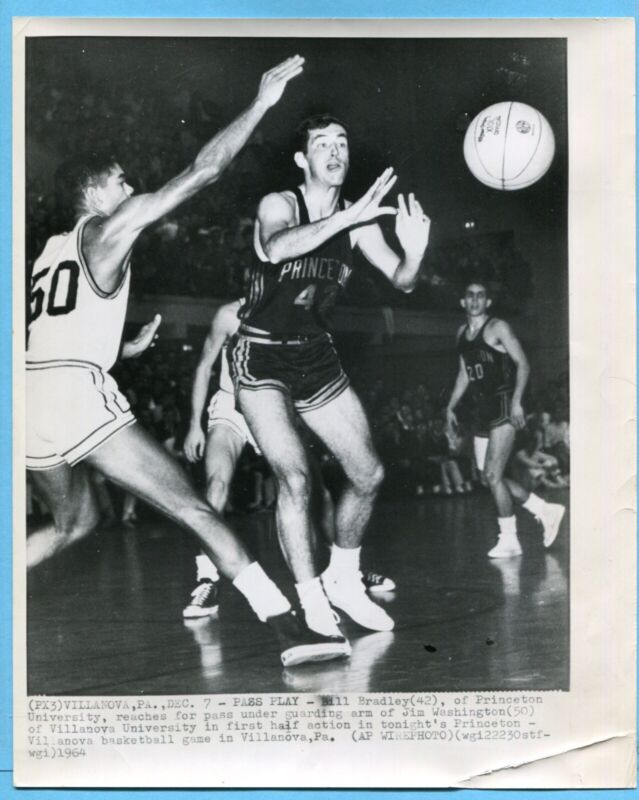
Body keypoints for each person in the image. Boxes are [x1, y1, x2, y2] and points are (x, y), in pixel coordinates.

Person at [26, 56, 352, 667]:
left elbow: (44, 330)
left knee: (77, 522)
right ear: (95, 191)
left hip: (26, 393)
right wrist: (260, 104)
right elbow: (203, 172)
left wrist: (114, 349)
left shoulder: (48, 252)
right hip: (73, 392)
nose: (129, 188)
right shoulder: (110, 224)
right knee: (194, 506)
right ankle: (290, 629)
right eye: (120, 180)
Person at [229, 114, 431, 641]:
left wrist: (413, 253)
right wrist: (348, 221)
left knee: (369, 473)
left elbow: (403, 282)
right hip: (261, 355)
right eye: (322, 142)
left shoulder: (358, 219)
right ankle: (312, 600)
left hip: (316, 355)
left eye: (342, 140)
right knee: (295, 478)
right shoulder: (280, 203)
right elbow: (276, 247)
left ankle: (345, 579)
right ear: (303, 159)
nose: (335, 149)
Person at [182, 299, 396, 618]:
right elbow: (203, 366)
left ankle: (346, 572)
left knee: (317, 494)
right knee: (216, 486)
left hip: (274, 409)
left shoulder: (295, 314)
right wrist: (194, 425)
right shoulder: (228, 315)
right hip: (231, 406)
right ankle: (206, 580)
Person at [445, 280, 565, 557]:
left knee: (493, 474)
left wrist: (517, 402)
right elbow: (464, 373)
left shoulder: (498, 327)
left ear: (487, 302)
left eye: (480, 295)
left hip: (503, 405)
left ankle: (509, 539)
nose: (475, 300)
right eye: (469, 295)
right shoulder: (461, 333)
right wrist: (449, 406)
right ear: (463, 301)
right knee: (489, 478)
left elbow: (523, 363)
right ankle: (544, 509)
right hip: (480, 411)